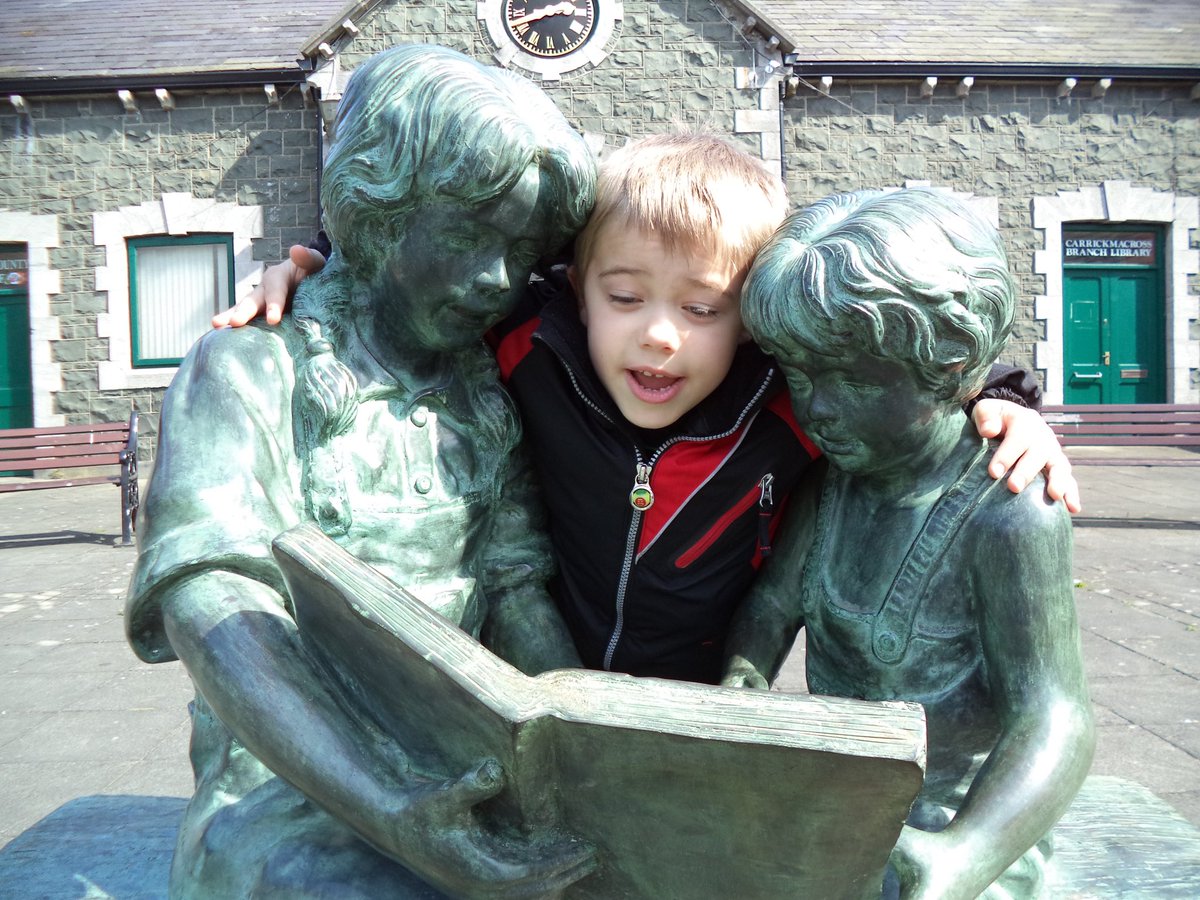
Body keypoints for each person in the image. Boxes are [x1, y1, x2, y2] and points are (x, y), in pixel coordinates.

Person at [221, 134, 1079, 685]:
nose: (659, 337)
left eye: (704, 309)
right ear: (578, 290)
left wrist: (1004, 401)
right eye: (625, 296)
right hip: (526, 677)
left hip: (693, 706)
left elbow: (902, 349)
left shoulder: (791, 407)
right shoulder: (528, 345)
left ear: (753, 322)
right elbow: (424, 264)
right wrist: (320, 270)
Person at [127, 45, 597, 899]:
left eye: (521, 249)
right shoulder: (246, 369)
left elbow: (519, 591)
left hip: (464, 768)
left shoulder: (484, 387)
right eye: (466, 233)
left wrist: (590, 764)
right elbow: (216, 610)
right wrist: (393, 809)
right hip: (289, 793)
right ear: (377, 215)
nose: (498, 279)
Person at [722, 187, 1095, 898]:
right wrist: (742, 683)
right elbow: (771, 608)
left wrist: (964, 854)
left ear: (952, 364)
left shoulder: (1010, 512)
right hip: (840, 816)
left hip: (959, 838)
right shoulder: (831, 486)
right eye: (799, 375)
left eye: (854, 379)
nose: (817, 408)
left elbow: (1055, 715)